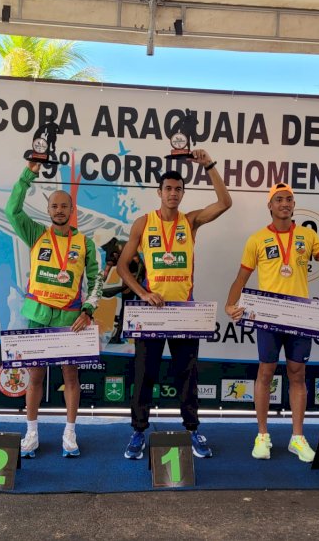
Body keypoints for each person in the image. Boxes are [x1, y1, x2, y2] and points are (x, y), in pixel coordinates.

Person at [224, 183, 319, 462]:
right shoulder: (257, 239)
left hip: (299, 318)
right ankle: (262, 435)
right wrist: (230, 304)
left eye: (289, 199)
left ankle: (297, 438)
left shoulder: (307, 236)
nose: (285, 203)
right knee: (265, 373)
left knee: (297, 375)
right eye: (279, 199)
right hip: (268, 318)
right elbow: (241, 278)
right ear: (270, 206)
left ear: (294, 205)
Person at [117, 149, 232, 460]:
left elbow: (225, 203)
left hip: (184, 313)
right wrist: (142, 293)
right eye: (168, 188)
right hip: (151, 313)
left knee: (187, 374)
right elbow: (122, 266)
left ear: (183, 193)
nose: (173, 193)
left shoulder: (190, 221)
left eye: (178, 189)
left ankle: (192, 430)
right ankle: (138, 431)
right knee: (144, 374)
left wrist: (209, 164)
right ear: (159, 192)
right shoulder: (143, 223)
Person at [5, 159, 103, 458]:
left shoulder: (84, 243)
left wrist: (88, 309)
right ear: (48, 210)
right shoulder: (35, 234)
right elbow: (11, 210)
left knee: (70, 378)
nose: (59, 210)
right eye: (54, 206)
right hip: (37, 316)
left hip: (71, 319)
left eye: (64, 206)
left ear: (71, 210)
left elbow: (97, 278)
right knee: (34, 378)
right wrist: (28, 173)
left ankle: (70, 434)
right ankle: (31, 433)